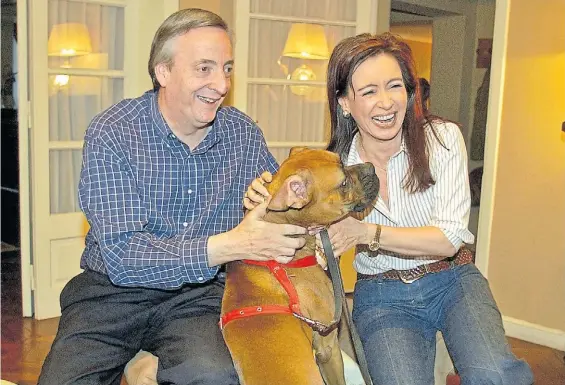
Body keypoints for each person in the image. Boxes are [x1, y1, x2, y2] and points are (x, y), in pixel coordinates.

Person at [37, 8, 307, 385]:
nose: (221, 83)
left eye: (227, 68)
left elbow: (275, 215)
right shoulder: (113, 132)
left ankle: (151, 357)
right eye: (204, 68)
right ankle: (142, 357)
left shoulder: (243, 135)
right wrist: (230, 244)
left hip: (197, 297)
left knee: (215, 377)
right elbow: (122, 256)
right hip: (112, 294)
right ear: (163, 72)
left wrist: (280, 200)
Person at [246, 33, 533, 385]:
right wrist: (266, 198)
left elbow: (449, 239)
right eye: (368, 91)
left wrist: (368, 233)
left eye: (394, 86)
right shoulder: (334, 169)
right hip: (383, 294)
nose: (386, 103)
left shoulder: (442, 139)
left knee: (495, 375)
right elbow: (298, 226)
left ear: (409, 91)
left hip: (454, 280)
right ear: (345, 103)